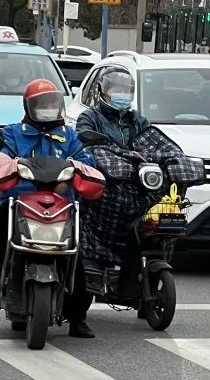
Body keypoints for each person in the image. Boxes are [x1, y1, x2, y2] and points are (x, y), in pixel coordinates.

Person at [0, 79, 97, 338]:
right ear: (28, 107)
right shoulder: (12, 134)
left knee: (78, 260)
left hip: (61, 208)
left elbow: (86, 162)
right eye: (41, 104)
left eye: (52, 104)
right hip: (18, 205)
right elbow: (3, 160)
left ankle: (77, 317)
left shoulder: (70, 137)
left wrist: (78, 174)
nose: (47, 109)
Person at [75, 67, 150, 149]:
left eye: (125, 91)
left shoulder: (139, 120)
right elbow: (85, 150)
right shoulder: (89, 118)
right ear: (103, 93)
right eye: (117, 91)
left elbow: (153, 145)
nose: (122, 94)